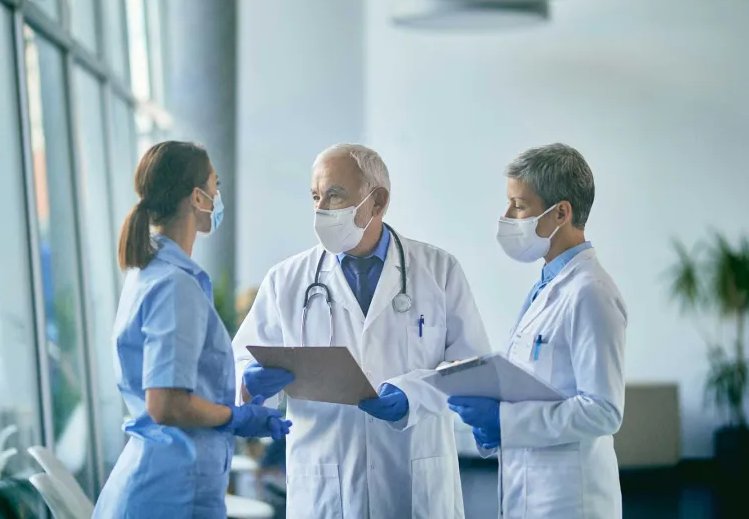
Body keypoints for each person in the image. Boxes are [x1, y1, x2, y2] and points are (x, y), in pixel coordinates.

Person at [232, 144, 491, 519]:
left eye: (335, 196)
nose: (322, 209)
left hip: (414, 481)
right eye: (316, 197)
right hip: (325, 487)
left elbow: (472, 367)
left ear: (378, 202)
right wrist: (248, 381)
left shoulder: (439, 271)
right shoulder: (286, 281)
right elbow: (243, 358)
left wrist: (414, 395)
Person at [93, 141, 291, 519]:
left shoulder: (152, 271)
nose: (219, 197)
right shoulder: (174, 284)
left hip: (161, 483)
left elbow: (182, 382)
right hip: (169, 493)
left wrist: (242, 390)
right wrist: (236, 418)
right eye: (215, 186)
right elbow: (166, 403)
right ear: (198, 198)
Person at [448, 143, 627, 519]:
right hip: (529, 489)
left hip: (569, 500)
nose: (507, 216)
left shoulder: (590, 291)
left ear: (561, 212)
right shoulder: (549, 284)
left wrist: (504, 421)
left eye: (519, 205)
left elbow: (604, 411)